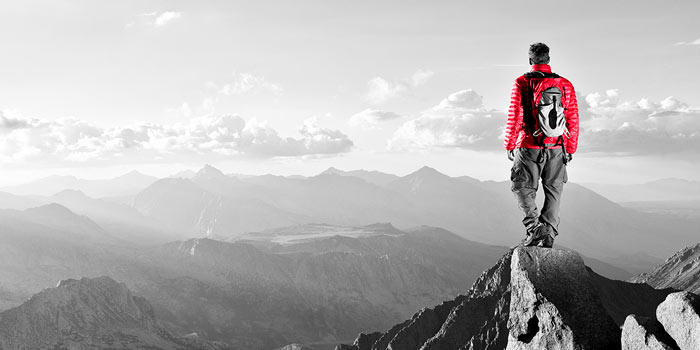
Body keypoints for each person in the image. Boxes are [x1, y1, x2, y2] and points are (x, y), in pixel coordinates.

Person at [504, 42, 579, 248]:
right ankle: (548, 235)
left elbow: (515, 115)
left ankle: (534, 228)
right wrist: (570, 148)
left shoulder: (522, 82)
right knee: (554, 190)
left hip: (529, 145)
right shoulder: (565, 84)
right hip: (557, 147)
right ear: (548, 59)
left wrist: (510, 144)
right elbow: (572, 118)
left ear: (530, 60)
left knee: (522, 187)